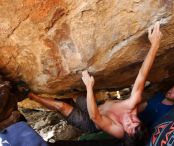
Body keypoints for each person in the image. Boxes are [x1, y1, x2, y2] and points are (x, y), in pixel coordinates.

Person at [24, 21, 162, 144]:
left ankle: (31, 96)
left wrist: (90, 87)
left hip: (91, 122)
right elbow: (142, 76)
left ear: (126, 133)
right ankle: (58, 96)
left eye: (130, 127)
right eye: (135, 121)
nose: (131, 120)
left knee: (62, 106)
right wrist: (155, 45)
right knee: (74, 96)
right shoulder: (132, 106)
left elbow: (94, 117)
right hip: (97, 106)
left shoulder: (119, 131)